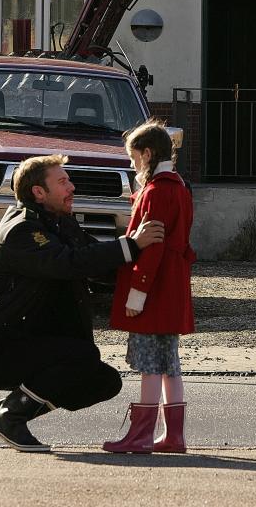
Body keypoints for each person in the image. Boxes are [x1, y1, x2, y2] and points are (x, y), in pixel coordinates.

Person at [0, 154, 165, 453]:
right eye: (63, 182)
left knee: (103, 380)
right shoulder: (22, 230)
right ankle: (11, 417)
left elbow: (97, 264)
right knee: (80, 356)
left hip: (29, 340)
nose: (72, 187)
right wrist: (130, 245)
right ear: (39, 192)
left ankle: (14, 406)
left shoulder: (60, 224)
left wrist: (149, 273)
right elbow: (67, 263)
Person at [103, 120, 196, 454]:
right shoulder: (180, 188)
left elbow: (152, 247)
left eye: (133, 157)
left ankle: (141, 434)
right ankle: (173, 435)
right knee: (169, 363)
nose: (132, 164)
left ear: (146, 154)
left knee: (150, 363)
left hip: (154, 287)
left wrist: (137, 293)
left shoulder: (156, 191)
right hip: (172, 283)